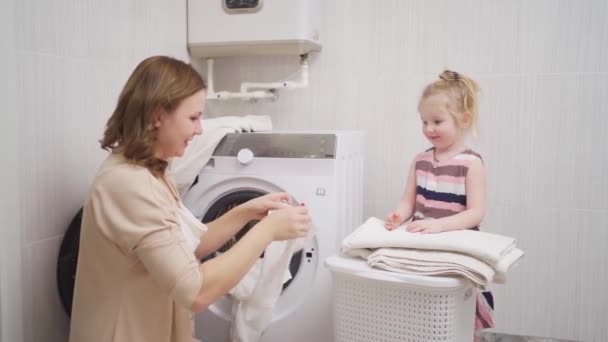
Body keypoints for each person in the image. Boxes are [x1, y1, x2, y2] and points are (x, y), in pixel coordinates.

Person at [69, 56, 312, 342]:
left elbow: (185, 248)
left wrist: (246, 212)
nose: (199, 130)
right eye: (194, 118)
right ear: (159, 115)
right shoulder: (129, 185)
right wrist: (267, 231)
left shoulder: (149, 170)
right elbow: (196, 293)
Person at [383, 70, 493, 340]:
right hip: (425, 246)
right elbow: (408, 201)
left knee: (461, 314)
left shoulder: (471, 163)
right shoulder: (420, 160)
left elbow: (476, 213)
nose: (429, 129)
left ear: (463, 119)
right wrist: (399, 215)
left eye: (437, 121)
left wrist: (439, 225)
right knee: (426, 309)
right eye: (424, 122)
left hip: (457, 247)